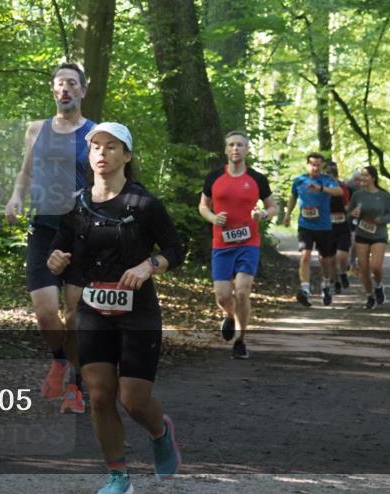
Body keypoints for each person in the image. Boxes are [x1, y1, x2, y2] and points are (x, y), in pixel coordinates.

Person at [46, 122, 184, 493]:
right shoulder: (77, 204)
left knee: (133, 399)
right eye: (95, 147)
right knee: (101, 393)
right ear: (89, 156)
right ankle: (118, 476)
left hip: (138, 311)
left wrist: (148, 266)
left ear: (127, 155)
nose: (102, 153)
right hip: (92, 310)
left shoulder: (144, 204)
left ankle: (160, 431)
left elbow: (175, 249)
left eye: (111, 147)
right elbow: (59, 251)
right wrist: (55, 261)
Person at [5, 63, 96, 413]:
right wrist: (16, 197)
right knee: (45, 313)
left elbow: (106, 177)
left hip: (80, 233)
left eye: (72, 84)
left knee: (74, 315)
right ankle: (60, 360)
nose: (65, 90)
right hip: (43, 229)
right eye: (60, 84)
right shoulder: (35, 129)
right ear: (52, 90)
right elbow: (25, 172)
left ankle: (75, 384)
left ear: (82, 91)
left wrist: (87, 198)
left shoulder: (94, 132)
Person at [199, 131, 277, 359]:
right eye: (232, 145)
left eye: (240, 145)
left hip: (248, 243)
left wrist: (263, 213)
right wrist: (213, 218)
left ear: (247, 150)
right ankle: (229, 314)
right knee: (223, 296)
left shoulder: (257, 178)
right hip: (222, 245)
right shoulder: (214, 177)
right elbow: (203, 206)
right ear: (225, 150)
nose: (236, 149)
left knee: (242, 291)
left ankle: (241, 340)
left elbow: (273, 207)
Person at [283, 152, 343, 307]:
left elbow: (339, 192)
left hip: (324, 226)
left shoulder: (327, 180)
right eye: (312, 164)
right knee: (305, 256)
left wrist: (322, 188)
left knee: (325, 260)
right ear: (307, 164)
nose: (315, 167)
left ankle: (325, 285)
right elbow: (293, 197)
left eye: (318, 164)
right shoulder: (299, 181)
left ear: (322, 165)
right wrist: (288, 214)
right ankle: (305, 290)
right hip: (305, 225)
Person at [346, 165, 390, 309]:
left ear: (373, 178)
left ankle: (379, 286)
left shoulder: (384, 195)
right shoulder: (357, 195)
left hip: (379, 234)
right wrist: (353, 214)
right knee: (364, 268)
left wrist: (382, 219)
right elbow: (348, 215)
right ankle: (369, 296)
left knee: (375, 266)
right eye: (361, 175)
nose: (363, 178)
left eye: (366, 175)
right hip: (362, 234)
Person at [324, 161, 352, 293]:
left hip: (342, 225)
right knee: (330, 260)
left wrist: (352, 211)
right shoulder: (320, 188)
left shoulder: (343, 187)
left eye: (331, 174)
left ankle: (342, 273)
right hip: (326, 227)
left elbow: (347, 205)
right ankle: (336, 283)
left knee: (341, 255)